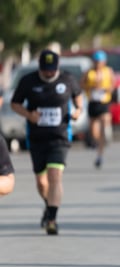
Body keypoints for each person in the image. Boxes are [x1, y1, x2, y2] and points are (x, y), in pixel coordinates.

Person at [11, 49, 83, 235]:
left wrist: (78, 110)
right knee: (42, 183)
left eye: (52, 70)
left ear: (57, 67)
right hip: (36, 138)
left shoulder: (67, 79)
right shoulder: (28, 81)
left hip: (60, 137)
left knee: (54, 176)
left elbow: (78, 97)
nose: (49, 73)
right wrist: (29, 115)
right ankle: (48, 206)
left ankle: (52, 219)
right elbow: (15, 104)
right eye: (45, 70)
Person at [81, 50, 115, 168]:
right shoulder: (88, 73)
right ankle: (98, 144)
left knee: (105, 121)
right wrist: (91, 87)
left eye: (99, 62)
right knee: (93, 131)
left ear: (104, 62)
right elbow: (82, 84)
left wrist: (106, 89)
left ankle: (101, 152)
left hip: (104, 102)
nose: (98, 64)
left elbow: (112, 84)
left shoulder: (108, 71)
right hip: (93, 103)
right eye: (96, 62)